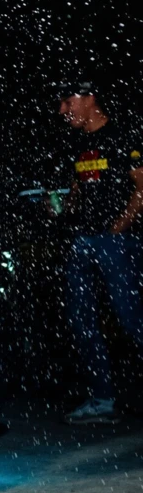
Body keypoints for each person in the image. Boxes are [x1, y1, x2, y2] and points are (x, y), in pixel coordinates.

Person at [54, 80, 143, 424]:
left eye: (67, 101)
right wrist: (61, 210)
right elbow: (77, 191)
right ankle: (103, 400)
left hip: (116, 242)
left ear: (90, 97)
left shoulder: (122, 135)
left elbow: (140, 187)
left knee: (132, 320)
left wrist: (119, 227)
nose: (63, 110)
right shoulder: (78, 144)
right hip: (82, 242)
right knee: (82, 322)